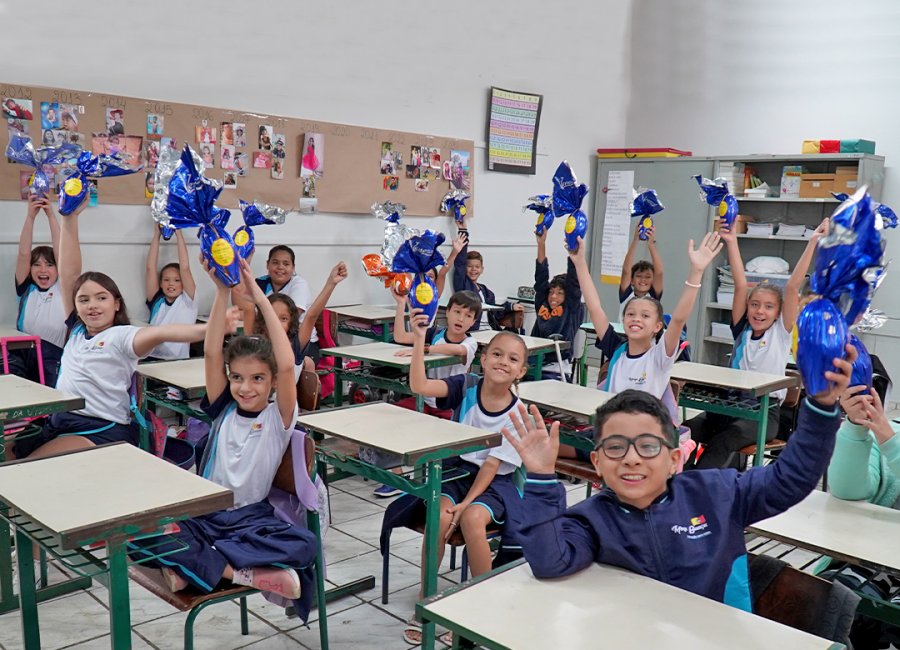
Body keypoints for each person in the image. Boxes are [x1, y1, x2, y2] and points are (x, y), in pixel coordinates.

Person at [502, 345, 853, 613]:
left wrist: (821, 408)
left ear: (673, 460)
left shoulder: (718, 493)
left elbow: (790, 479)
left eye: (648, 446)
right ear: (596, 463)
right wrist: (541, 478)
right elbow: (549, 562)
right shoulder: (591, 519)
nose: (631, 458)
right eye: (615, 447)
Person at [128, 258, 319, 614]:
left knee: (304, 545)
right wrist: (220, 291)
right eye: (238, 378)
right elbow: (214, 351)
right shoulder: (224, 407)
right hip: (205, 514)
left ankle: (193, 566)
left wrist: (260, 297)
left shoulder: (279, 417)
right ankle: (240, 572)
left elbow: (288, 362)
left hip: (249, 521)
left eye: (258, 379)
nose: (245, 388)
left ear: (274, 381)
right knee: (131, 534)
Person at [11, 197, 206, 460]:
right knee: (8, 453)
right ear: (75, 306)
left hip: (99, 428)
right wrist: (69, 218)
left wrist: (213, 327)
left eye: (101, 298)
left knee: (27, 468)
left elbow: (164, 332)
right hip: (61, 422)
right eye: (84, 299)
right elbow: (69, 273)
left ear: (116, 304)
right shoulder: (78, 331)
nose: (92, 305)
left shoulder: (121, 336)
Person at [401, 311, 529, 645]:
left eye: (513, 359)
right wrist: (419, 339)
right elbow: (419, 385)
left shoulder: (519, 413)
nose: (503, 362)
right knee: (439, 515)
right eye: (497, 354)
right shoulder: (467, 386)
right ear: (482, 359)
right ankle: (427, 598)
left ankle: (480, 606)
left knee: (472, 519)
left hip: (497, 483)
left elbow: (490, 467)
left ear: (522, 371)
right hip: (459, 472)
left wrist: (467, 503)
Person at [685, 219, 827, 469]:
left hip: (763, 414)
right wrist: (731, 242)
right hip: (728, 406)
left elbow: (793, 287)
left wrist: (813, 241)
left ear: (779, 312)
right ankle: (669, 485)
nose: (760, 311)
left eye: (769, 306)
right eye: (755, 305)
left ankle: (692, 491)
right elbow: (741, 284)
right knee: (684, 432)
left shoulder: (781, 332)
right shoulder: (742, 330)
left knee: (723, 441)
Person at [247, 261, 347, 381]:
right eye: (272, 316)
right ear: (263, 319)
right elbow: (247, 308)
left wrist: (331, 282)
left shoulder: (295, 345)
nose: (276, 323)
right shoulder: (255, 343)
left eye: (283, 318)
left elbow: (311, 316)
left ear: (291, 323)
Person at [11, 196, 65, 387]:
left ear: (58, 269)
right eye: (37, 265)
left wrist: (51, 215)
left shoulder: (63, 288)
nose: (43, 270)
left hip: (53, 356)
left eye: (50, 265)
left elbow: (63, 252)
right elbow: (24, 253)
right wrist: (30, 217)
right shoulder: (28, 288)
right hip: (23, 353)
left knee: (48, 400)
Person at [250, 246, 320, 363]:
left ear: (293, 268)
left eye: (286, 264)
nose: (280, 267)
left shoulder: (298, 284)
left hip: (300, 344)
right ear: (267, 265)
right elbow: (242, 306)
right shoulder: (261, 283)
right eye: (275, 262)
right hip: (269, 340)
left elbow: (291, 317)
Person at [454, 217, 523, 332]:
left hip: (490, 330)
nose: (473, 270)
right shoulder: (463, 285)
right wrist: (463, 230)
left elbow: (495, 313)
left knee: (514, 335)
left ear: (482, 269)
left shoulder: (487, 292)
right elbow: (460, 263)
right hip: (474, 331)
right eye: (469, 266)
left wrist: (510, 307)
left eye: (477, 267)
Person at [531, 229, 583, 380]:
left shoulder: (571, 308)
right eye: (551, 292)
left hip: (557, 368)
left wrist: (572, 252)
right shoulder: (543, 305)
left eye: (560, 293)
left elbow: (574, 282)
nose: (553, 296)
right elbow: (541, 278)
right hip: (534, 364)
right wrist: (541, 243)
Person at [144, 228, 199, 360]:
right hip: (151, 356)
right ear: (161, 283)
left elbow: (185, 268)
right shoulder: (157, 300)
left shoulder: (188, 301)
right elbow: (150, 268)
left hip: (177, 359)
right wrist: (157, 234)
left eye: (176, 280)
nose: (171, 284)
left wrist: (178, 233)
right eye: (166, 280)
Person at [618, 221, 665, 321]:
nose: (643, 280)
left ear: (653, 281)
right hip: (624, 336)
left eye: (648, 277)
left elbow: (659, 272)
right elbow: (626, 270)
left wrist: (651, 245)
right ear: (631, 280)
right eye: (639, 276)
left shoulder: (653, 296)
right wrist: (635, 240)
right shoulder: (626, 295)